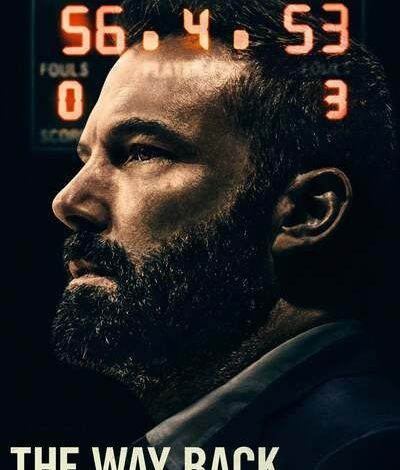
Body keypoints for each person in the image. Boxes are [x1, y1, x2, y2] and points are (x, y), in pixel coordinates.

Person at [51, 0, 400, 468]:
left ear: (306, 212)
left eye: (141, 152)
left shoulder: (363, 453)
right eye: (85, 158)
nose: (67, 201)